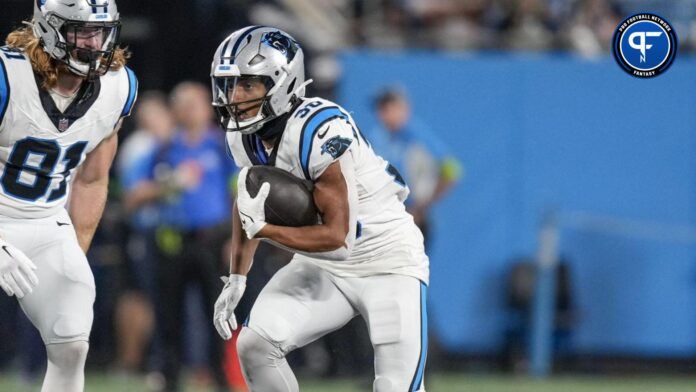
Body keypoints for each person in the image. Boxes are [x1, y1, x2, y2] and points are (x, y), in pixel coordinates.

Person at [211, 26, 429, 392]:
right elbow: (249, 202)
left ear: (281, 83)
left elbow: (338, 238)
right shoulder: (243, 137)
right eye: (229, 85)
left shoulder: (321, 129)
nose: (234, 96)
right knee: (256, 346)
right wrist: (237, 277)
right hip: (323, 265)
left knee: (395, 387)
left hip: (387, 259)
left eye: (247, 85)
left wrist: (265, 231)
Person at [0, 1, 137, 391]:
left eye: (102, 32)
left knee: (72, 339)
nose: (96, 44)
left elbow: (92, 180)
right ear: (49, 29)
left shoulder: (119, 86)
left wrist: (74, 249)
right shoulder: (6, 77)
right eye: (83, 32)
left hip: (45, 221)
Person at [135, 82, 237, 391]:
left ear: (207, 107)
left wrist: (237, 240)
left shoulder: (221, 146)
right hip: (172, 240)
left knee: (217, 313)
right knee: (169, 313)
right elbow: (137, 194)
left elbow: (239, 193)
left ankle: (221, 377)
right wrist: (169, 186)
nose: (189, 111)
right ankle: (169, 377)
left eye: (194, 104)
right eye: (182, 104)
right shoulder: (165, 148)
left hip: (212, 239)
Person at [371, 88, 462, 248]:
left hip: (412, 218)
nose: (382, 114)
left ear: (403, 108)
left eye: (387, 108)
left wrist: (422, 206)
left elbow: (452, 171)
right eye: (380, 108)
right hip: (384, 217)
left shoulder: (417, 136)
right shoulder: (379, 137)